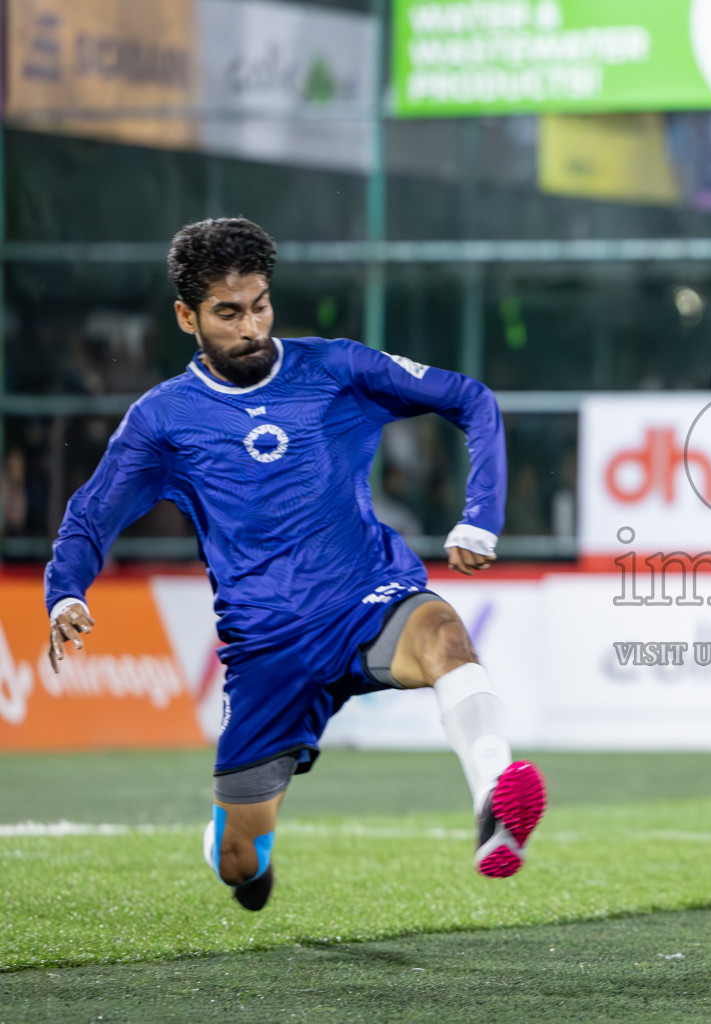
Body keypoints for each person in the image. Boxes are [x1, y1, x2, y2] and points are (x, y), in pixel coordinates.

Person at [44, 218, 545, 912]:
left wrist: (480, 516)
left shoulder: (335, 369)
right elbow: (91, 514)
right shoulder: (163, 420)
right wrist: (65, 593)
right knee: (237, 862)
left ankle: (495, 796)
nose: (251, 327)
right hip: (268, 648)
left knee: (445, 638)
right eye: (228, 313)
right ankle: (248, 860)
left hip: (366, 599)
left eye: (261, 305)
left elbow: (471, 398)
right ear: (187, 316)